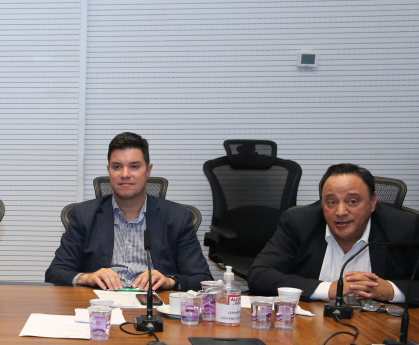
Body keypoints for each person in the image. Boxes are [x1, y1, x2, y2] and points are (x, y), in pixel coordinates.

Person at [45, 132, 212, 291]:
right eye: (117, 167)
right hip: (102, 304)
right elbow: (55, 273)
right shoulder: (84, 215)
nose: (125, 174)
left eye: (134, 166)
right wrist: (87, 277)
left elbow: (202, 279)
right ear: (109, 170)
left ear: (148, 170)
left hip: (153, 304)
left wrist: (170, 281)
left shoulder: (177, 217)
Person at [248, 163, 419, 305]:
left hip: (381, 327)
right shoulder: (299, 223)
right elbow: (260, 275)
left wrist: (391, 290)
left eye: (352, 201)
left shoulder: (404, 227)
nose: (341, 211)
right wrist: (329, 289)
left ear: (373, 201)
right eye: (331, 202)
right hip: (314, 325)